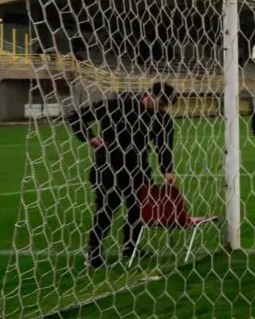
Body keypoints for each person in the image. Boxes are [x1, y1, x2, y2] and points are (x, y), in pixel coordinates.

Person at [66, 82, 178, 269]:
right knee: (106, 209)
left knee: (139, 209)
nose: (162, 109)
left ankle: (131, 247)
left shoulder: (162, 118)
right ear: (149, 95)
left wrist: (167, 169)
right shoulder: (116, 105)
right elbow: (75, 116)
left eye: (165, 106)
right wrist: (90, 137)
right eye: (160, 104)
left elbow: (164, 145)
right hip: (109, 167)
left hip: (139, 169)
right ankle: (94, 253)